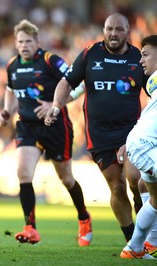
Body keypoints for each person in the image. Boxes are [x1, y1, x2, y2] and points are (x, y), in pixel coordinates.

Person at [44, 13, 144, 243]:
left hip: (131, 132)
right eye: (109, 29)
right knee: (116, 186)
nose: (113, 34)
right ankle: (133, 242)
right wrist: (57, 106)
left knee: (135, 178)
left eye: (119, 29)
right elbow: (66, 82)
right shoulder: (91, 54)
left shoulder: (138, 58)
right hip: (98, 134)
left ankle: (144, 212)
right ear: (104, 30)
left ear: (128, 31)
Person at [0, 19, 92, 246]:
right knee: (23, 173)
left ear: (37, 42)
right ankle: (30, 228)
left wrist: (53, 104)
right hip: (27, 126)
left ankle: (84, 218)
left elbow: (76, 84)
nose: (24, 45)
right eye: (20, 41)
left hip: (55, 126)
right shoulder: (12, 65)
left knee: (66, 178)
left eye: (28, 41)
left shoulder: (50, 61)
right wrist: (7, 111)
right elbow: (11, 91)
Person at [120, 35, 157, 260]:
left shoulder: (152, 82)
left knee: (150, 191)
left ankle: (140, 246)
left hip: (143, 142)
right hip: (146, 144)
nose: (140, 60)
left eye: (145, 54)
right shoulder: (152, 80)